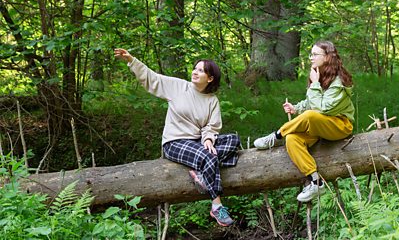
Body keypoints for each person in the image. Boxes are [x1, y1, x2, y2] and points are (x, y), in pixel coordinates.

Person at [114, 48, 240, 227]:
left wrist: (208, 139)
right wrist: (131, 60)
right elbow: (152, 79)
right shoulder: (178, 87)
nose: (195, 72)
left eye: (201, 70)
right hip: (175, 142)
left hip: (197, 142)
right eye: (195, 68)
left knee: (234, 140)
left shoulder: (212, 100)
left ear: (210, 78)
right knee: (209, 156)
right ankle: (216, 205)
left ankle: (202, 173)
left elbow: (211, 126)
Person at [253, 41, 354, 202]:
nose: (311, 58)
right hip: (320, 126)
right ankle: (316, 182)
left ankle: (276, 136)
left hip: (339, 126)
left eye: (315, 55)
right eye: (310, 54)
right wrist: (296, 108)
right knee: (292, 139)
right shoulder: (320, 76)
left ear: (328, 57)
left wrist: (314, 84)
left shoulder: (337, 81)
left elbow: (322, 109)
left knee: (310, 116)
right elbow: (311, 103)